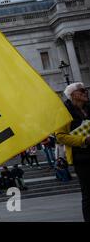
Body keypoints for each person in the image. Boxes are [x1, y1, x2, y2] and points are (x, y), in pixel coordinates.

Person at [56, 82, 90, 222]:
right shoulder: (64, 112)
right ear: (73, 95)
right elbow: (60, 136)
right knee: (88, 194)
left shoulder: (88, 108)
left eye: (85, 90)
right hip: (81, 157)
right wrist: (84, 140)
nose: (85, 92)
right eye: (81, 90)